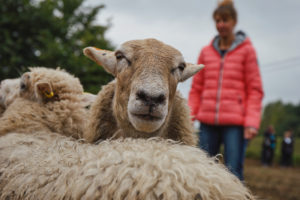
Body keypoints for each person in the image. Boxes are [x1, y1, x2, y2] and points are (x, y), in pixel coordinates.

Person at [188, 0, 264, 181]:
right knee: (202, 171)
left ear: (234, 22)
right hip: (207, 122)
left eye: (225, 20)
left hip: (235, 124)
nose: (221, 25)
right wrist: (189, 115)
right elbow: (196, 88)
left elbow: (255, 89)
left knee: (234, 174)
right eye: (217, 21)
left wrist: (251, 122)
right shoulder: (206, 52)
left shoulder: (247, 51)